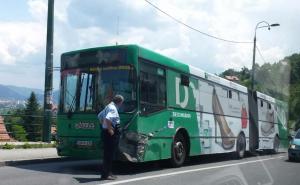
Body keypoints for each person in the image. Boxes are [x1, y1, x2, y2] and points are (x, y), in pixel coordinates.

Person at [98, 95, 124, 180]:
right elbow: (108, 119)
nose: (121, 105)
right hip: (110, 134)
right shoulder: (113, 108)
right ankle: (106, 175)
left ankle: (108, 172)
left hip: (105, 133)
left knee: (108, 154)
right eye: (121, 103)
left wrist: (104, 126)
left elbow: (99, 116)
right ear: (119, 102)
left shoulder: (108, 106)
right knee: (109, 155)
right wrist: (110, 129)